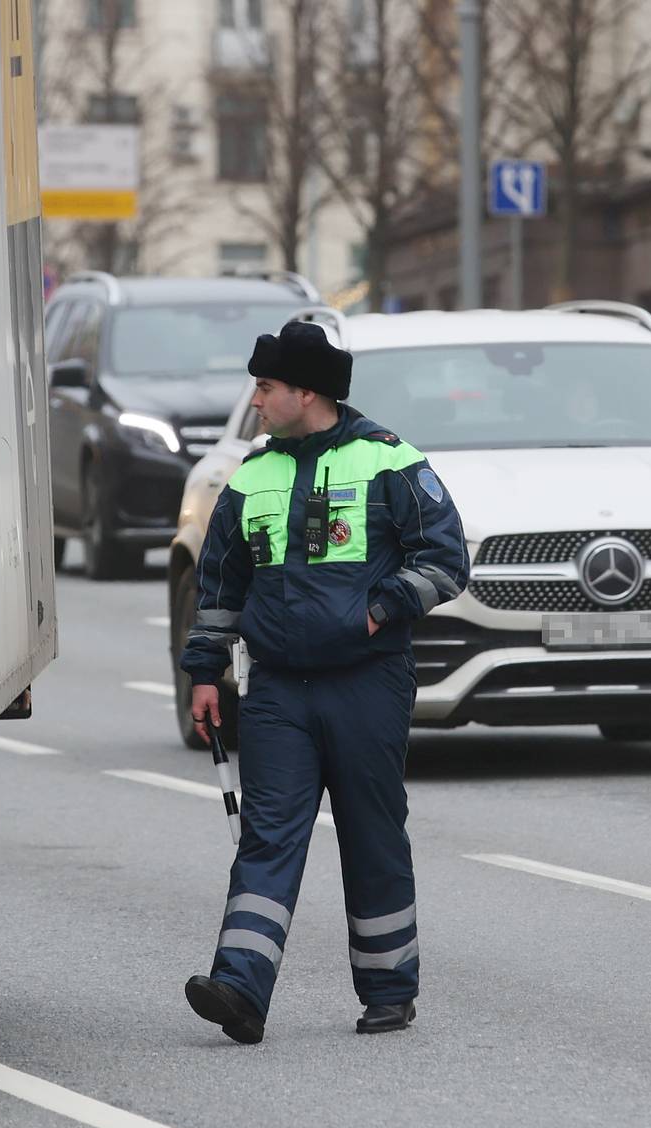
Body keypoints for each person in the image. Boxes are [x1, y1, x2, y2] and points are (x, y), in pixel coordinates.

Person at [181, 319, 469, 1044]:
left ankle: (388, 990)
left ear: (306, 393)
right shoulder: (252, 474)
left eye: (266, 386)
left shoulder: (389, 462)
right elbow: (219, 583)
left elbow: (445, 560)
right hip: (276, 688)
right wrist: (206, 672)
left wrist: (378, 612)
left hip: (368, 681)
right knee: (268, 836)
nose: (255, 400)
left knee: (372, 833)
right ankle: (240, 989)